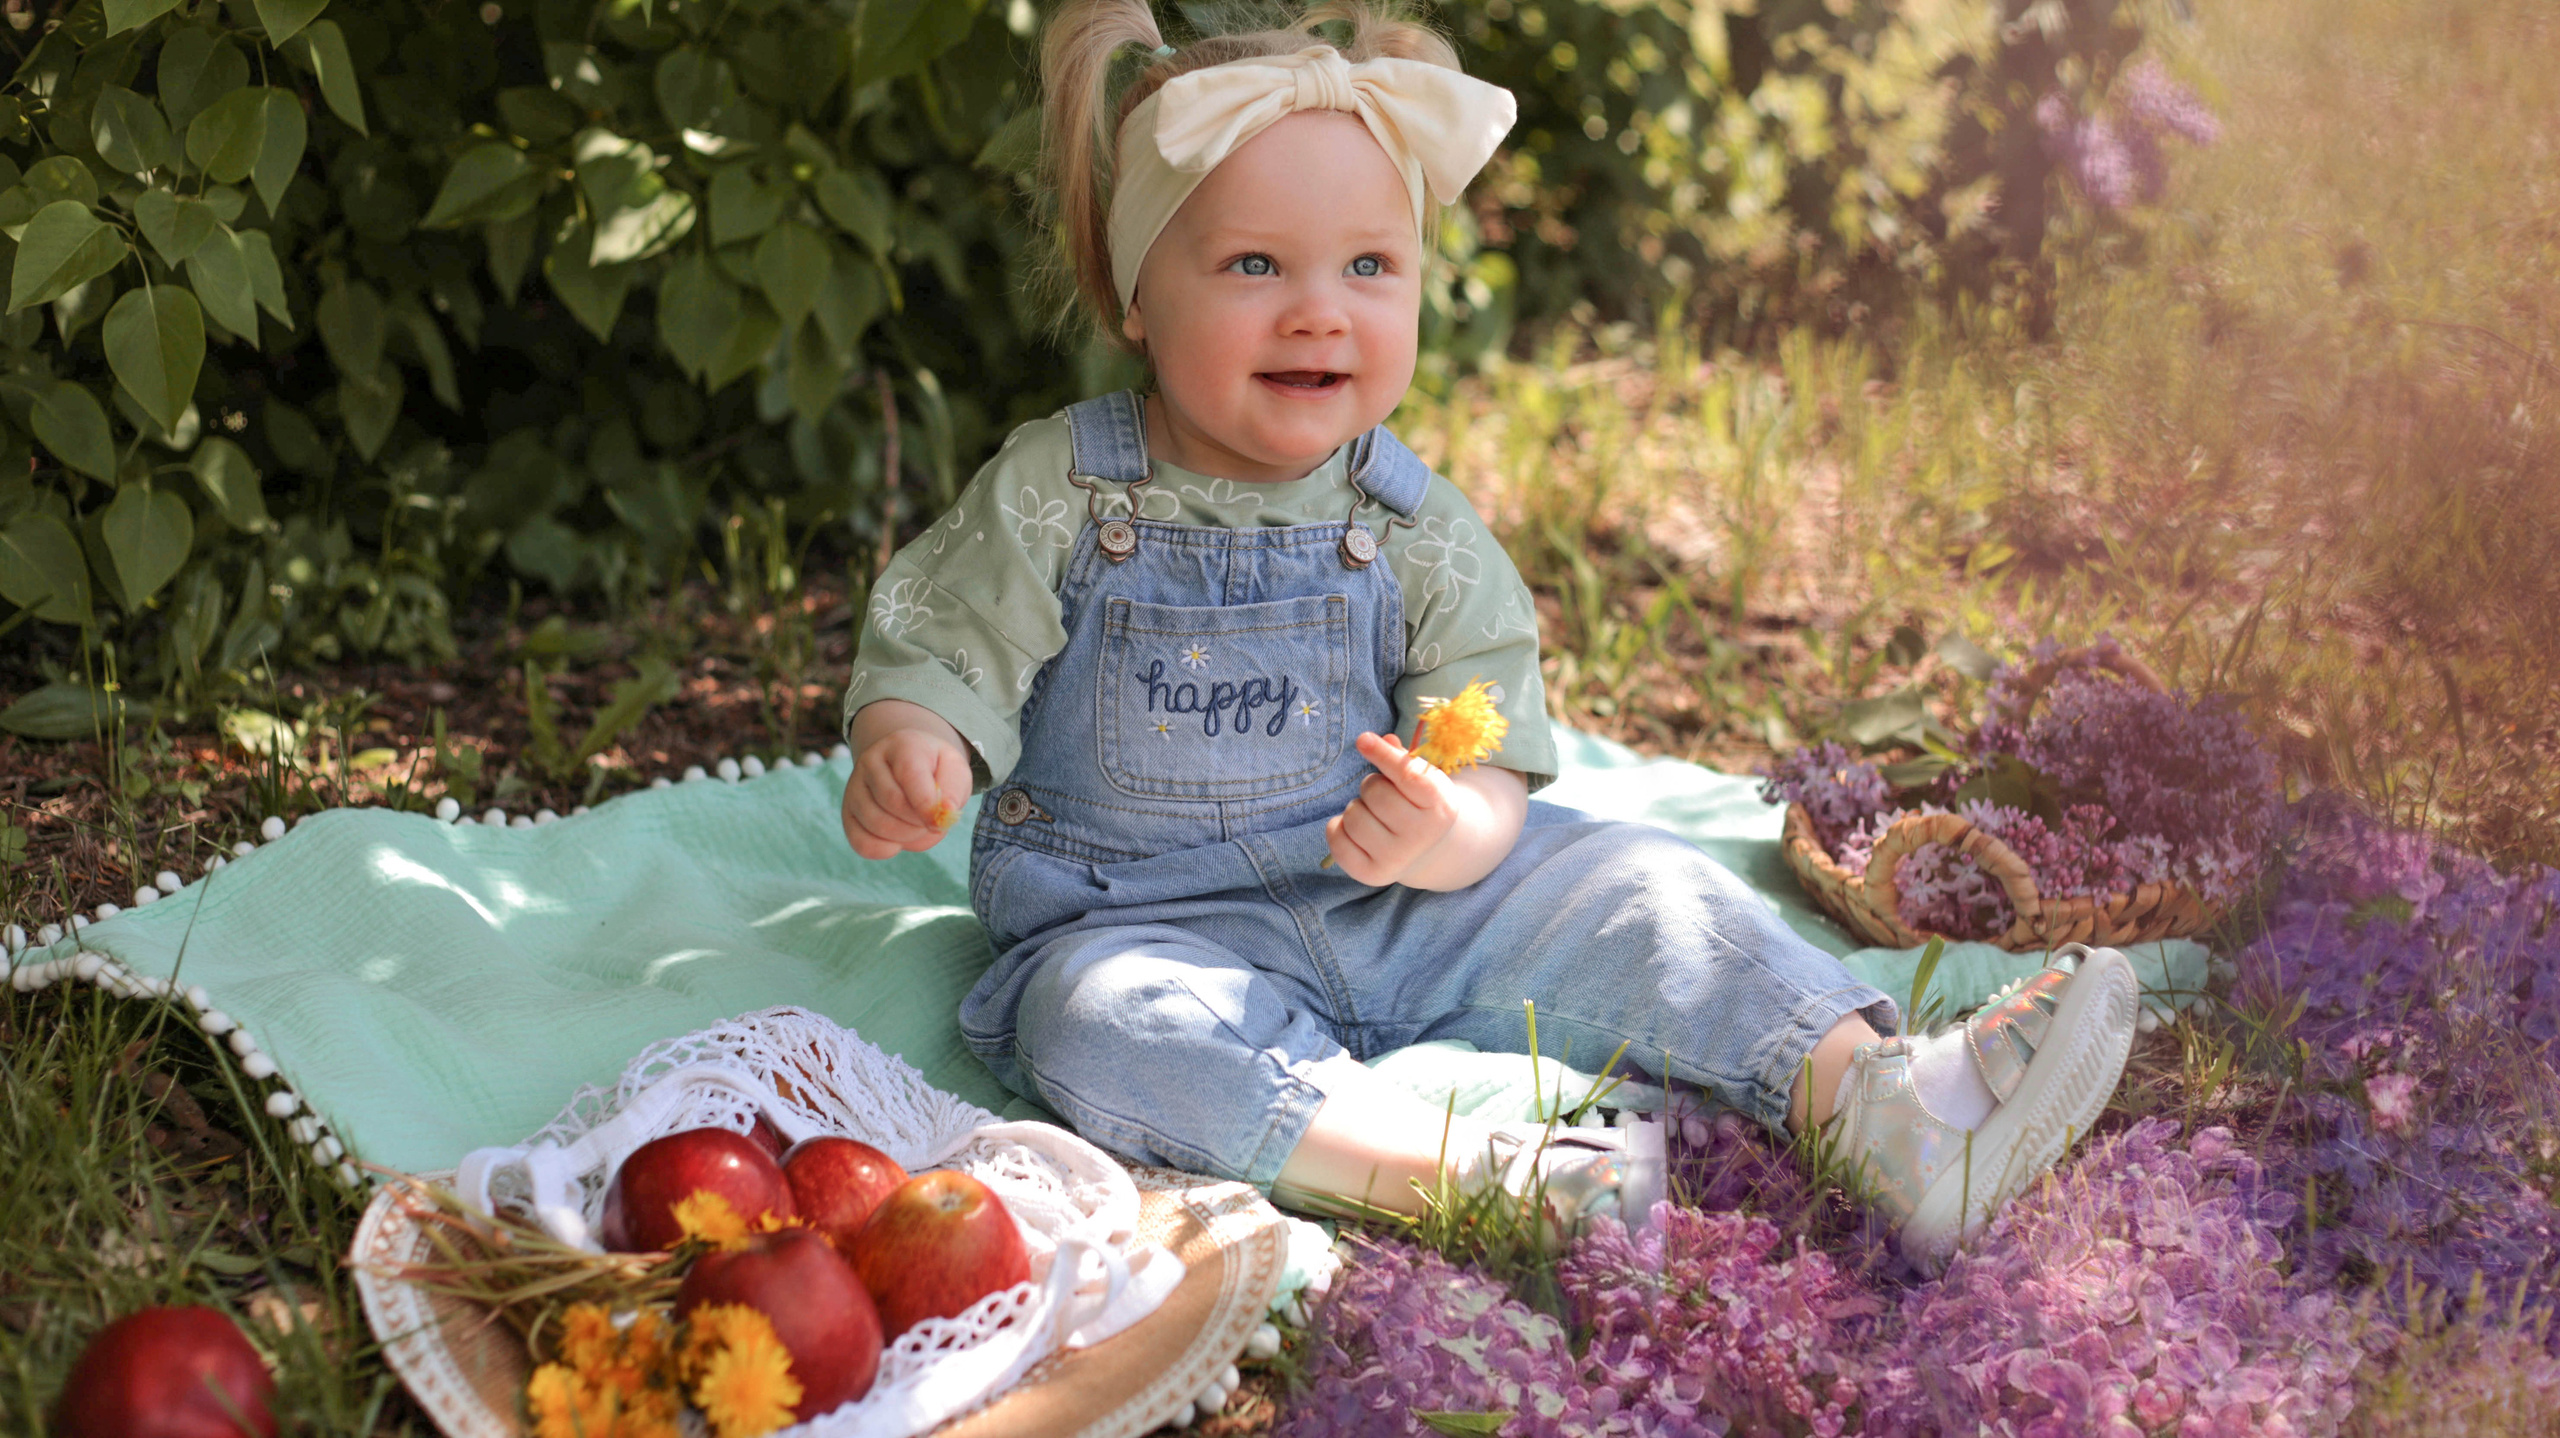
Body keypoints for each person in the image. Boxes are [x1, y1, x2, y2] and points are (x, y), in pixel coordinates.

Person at [835, 0, 2140, 1271]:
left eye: (1369, 266)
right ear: (1136, 294)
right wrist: (916, 733)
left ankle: (1878, 1101)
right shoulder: (1063, 492)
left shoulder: (1414, 527)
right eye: (1253, 265)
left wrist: (1452, 827)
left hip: (1405, 905)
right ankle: (1480, 1175)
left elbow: (1490, 743)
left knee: (1642, 883)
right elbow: (947, 634)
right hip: (1143, 924)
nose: (1318, 310)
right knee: (1097, 1025)